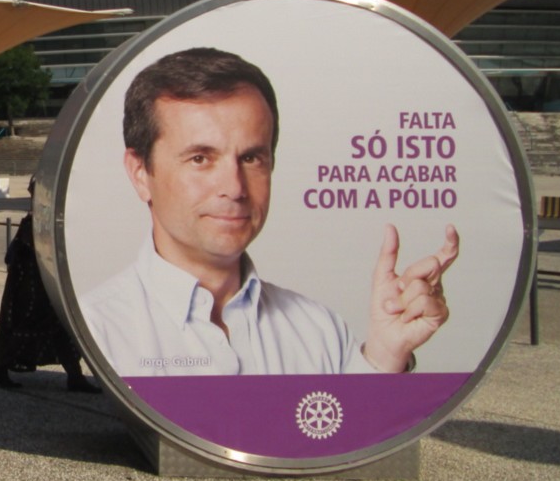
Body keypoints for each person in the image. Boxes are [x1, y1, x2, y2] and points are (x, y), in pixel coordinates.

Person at [81, 47, 458, 377]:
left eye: (251, 158)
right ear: (140, 173)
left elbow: (351, 433)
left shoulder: (319, 330)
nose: (234, 188)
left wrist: (385, 356)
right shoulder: (97, 331)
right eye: (200, 159)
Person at [0, 177, 101, 392]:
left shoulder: (48, 216)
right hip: (31, 283)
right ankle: (0, 367)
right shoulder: (34, 222)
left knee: (62, 326)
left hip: (47, 280)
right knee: (27, 324)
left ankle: (75, 376)